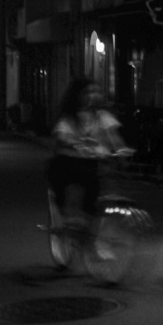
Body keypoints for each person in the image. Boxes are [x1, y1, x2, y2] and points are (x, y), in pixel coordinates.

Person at [47, 77, 130, 225]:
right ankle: (71, 216)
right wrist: (76, 144)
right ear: (78, 95)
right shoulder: (69, 118)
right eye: (89, 92)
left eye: (97, 91)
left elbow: (114, 137)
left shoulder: (103, 117)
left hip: (94, 165)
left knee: (99, 197)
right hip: (70, 164)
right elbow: (62, 136)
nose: (94, 95)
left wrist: (122, 150)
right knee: (72, 183)